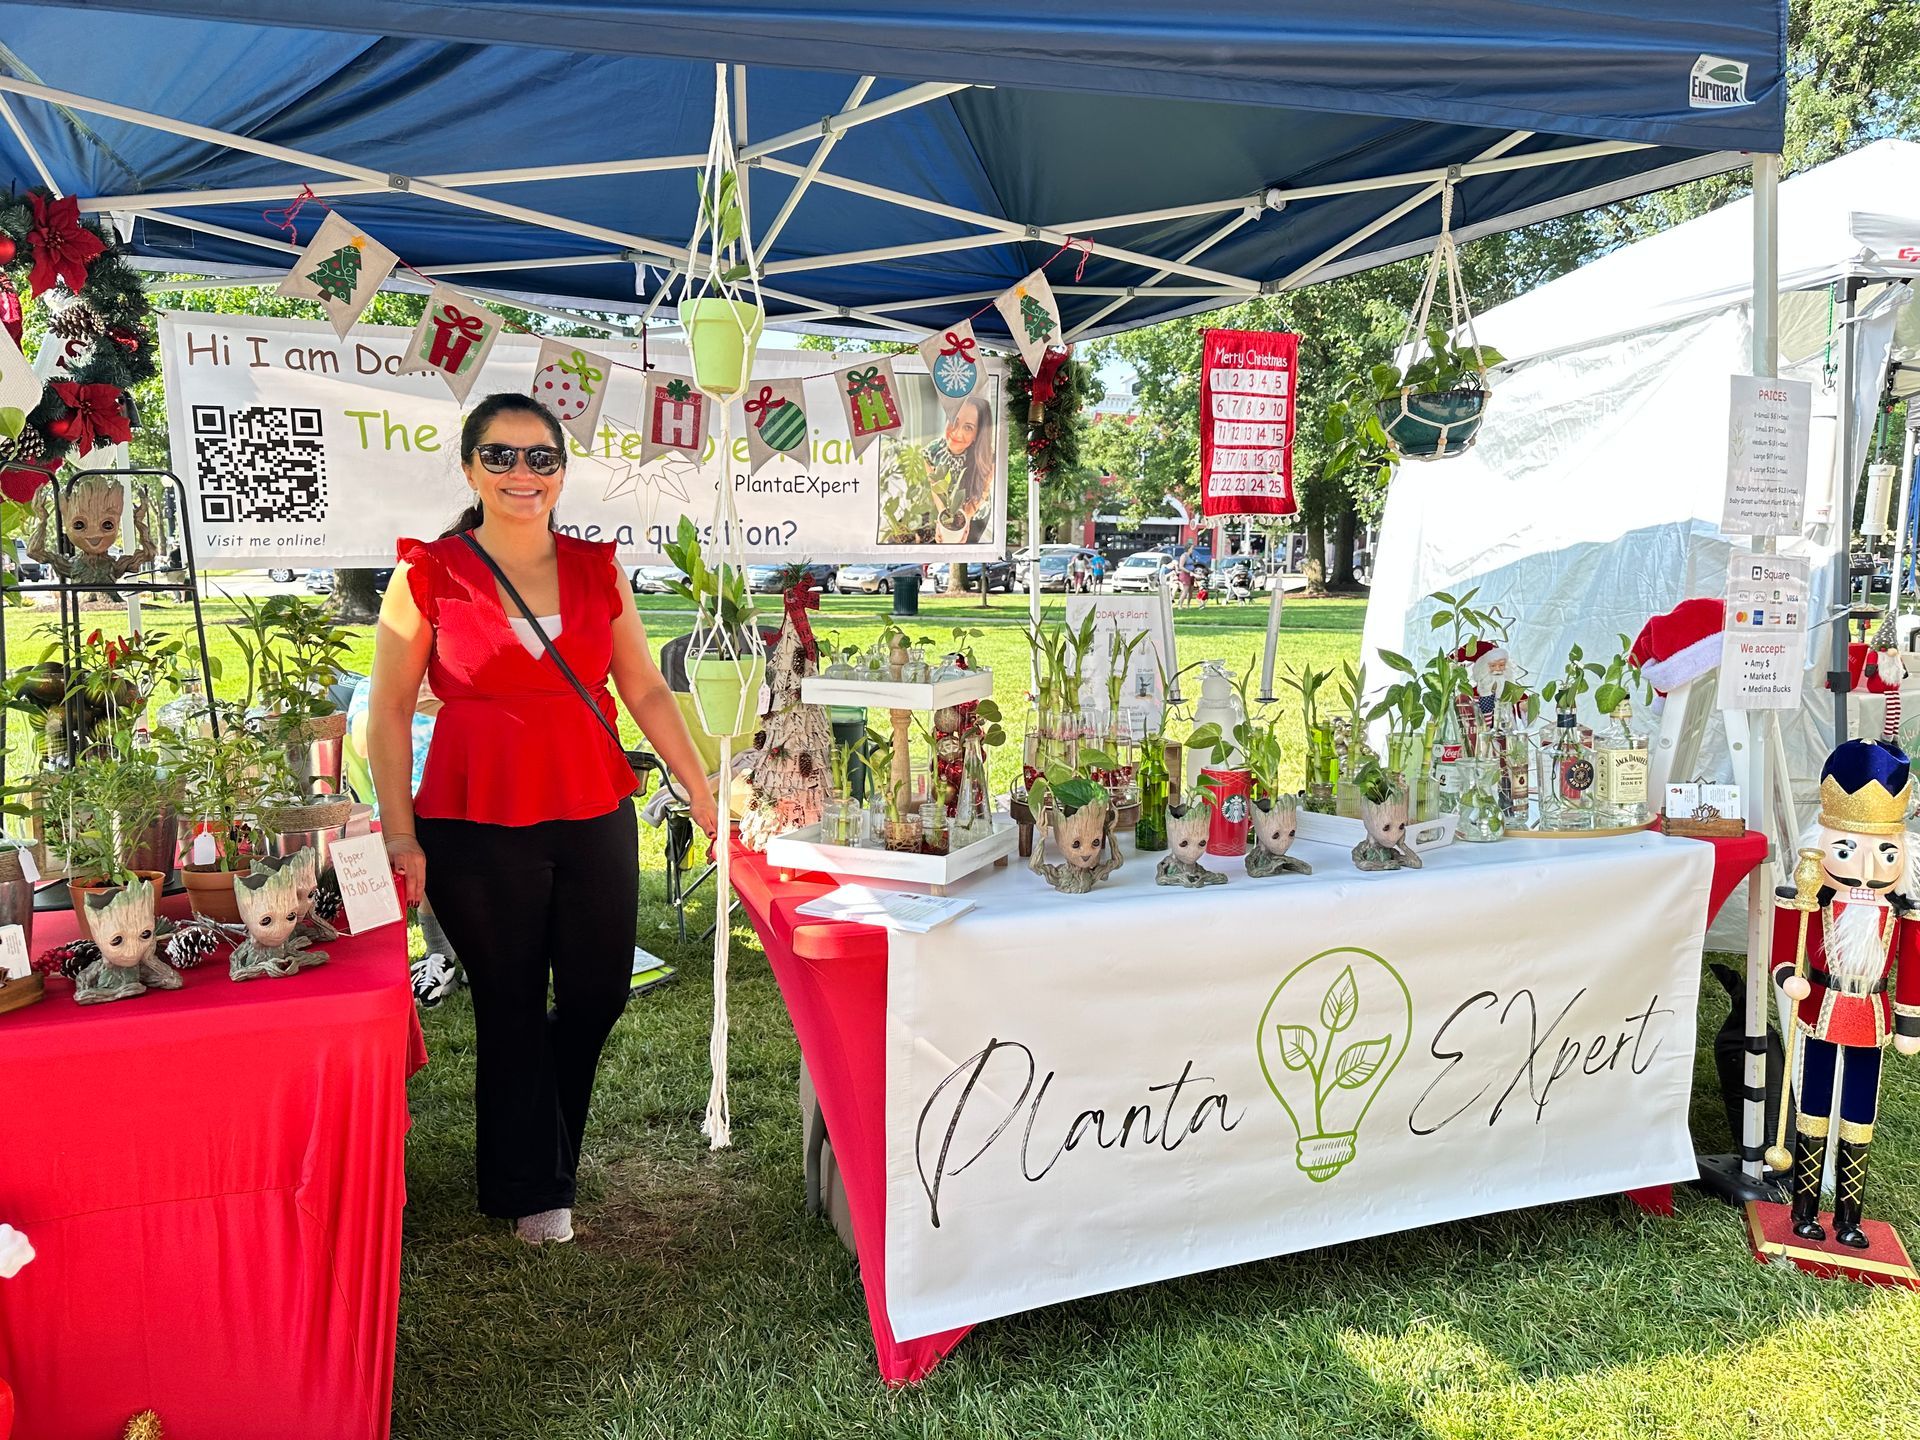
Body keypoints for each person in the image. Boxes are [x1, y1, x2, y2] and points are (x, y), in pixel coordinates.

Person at [370, 393, 717, 1247]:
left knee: (598, 993)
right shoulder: (428, 573)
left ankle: (531, 1147)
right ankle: (534, 1187)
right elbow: (385, 713)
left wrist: (703, 792)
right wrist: (399, 832)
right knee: (511, 1001)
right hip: (471, 817)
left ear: (562, 471)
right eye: (501, 456)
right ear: (470, 468)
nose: (522, 474)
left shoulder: (598, 570)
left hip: (593, 804)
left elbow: (643, 688)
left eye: (540, 458)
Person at [926, 393, 995, 542]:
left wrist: (965, 521)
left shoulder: (988, 457)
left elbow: (983, 490)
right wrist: (942, 520)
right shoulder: (931, 452)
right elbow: (935, 488)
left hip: (976, 515)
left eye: (968, 427)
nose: (957, 432)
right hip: (948, 514)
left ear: (978, 433)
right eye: (953, 421)